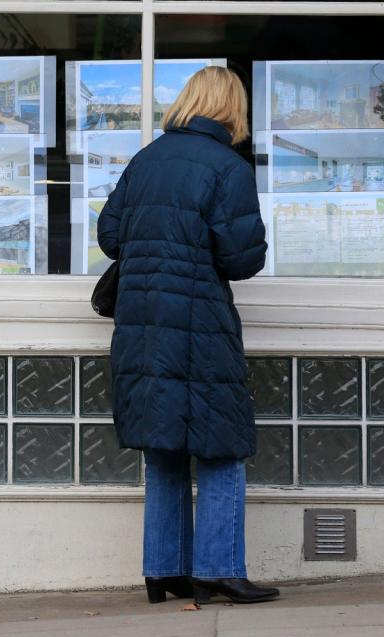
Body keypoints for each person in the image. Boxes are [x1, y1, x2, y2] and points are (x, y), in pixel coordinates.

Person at [96, 66, 278, 606]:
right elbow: (242, 260)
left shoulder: (147, 158)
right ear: (232, 109)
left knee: (164, 445)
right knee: (221, 446)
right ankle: (219, 569)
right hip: (200, 325)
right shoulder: (228, 166)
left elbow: (110, 236)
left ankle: (164, 570)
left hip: (142, 325)